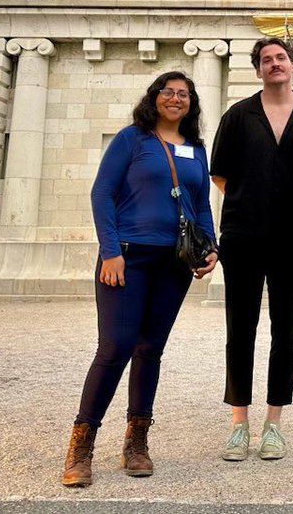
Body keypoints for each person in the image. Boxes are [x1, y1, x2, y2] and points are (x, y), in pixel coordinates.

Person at [61, 71, 218, 488]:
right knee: (115, 347)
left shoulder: (196, 150)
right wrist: (110, 251)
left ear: (192, 103)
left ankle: (137, 443)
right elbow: (102, 194)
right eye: (168, 91)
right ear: (155, 97)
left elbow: (201, 205)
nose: (176, 99)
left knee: (150, 350)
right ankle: (81, 444)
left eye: (184, 94)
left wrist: (211, 247)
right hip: (127, 256)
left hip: (174, 262)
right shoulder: (133, 138)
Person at [210, 37, 293, 462]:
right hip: (243, 236)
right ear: (258, 70)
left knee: (285, 330)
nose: (275, 64)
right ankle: (240, 422)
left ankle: (274, 422)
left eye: (281, 58)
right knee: (240, 329)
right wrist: (253, 200)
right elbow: (220, 174)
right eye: (267, 60)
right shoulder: (238, 115)